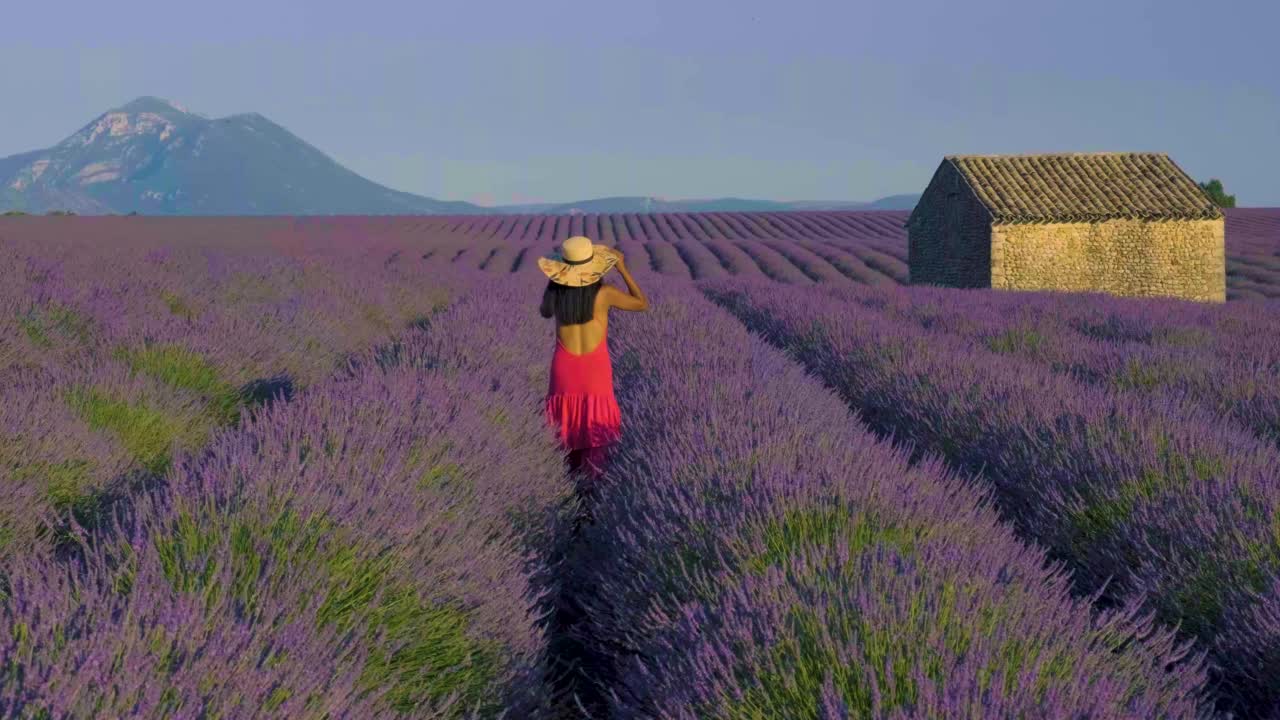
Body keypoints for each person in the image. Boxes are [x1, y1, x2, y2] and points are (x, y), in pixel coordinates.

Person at [538, 235, 648, 495]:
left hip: (564, 370)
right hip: (595, 372)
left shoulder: (557, 293)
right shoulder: (605, 294)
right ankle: (592, 496)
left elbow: (544, 311)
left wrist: (557, 280)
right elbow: (641, 303)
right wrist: (621, 267)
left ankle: (566, 493)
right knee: (596, 433)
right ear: (594, 267)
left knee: (564, 432)